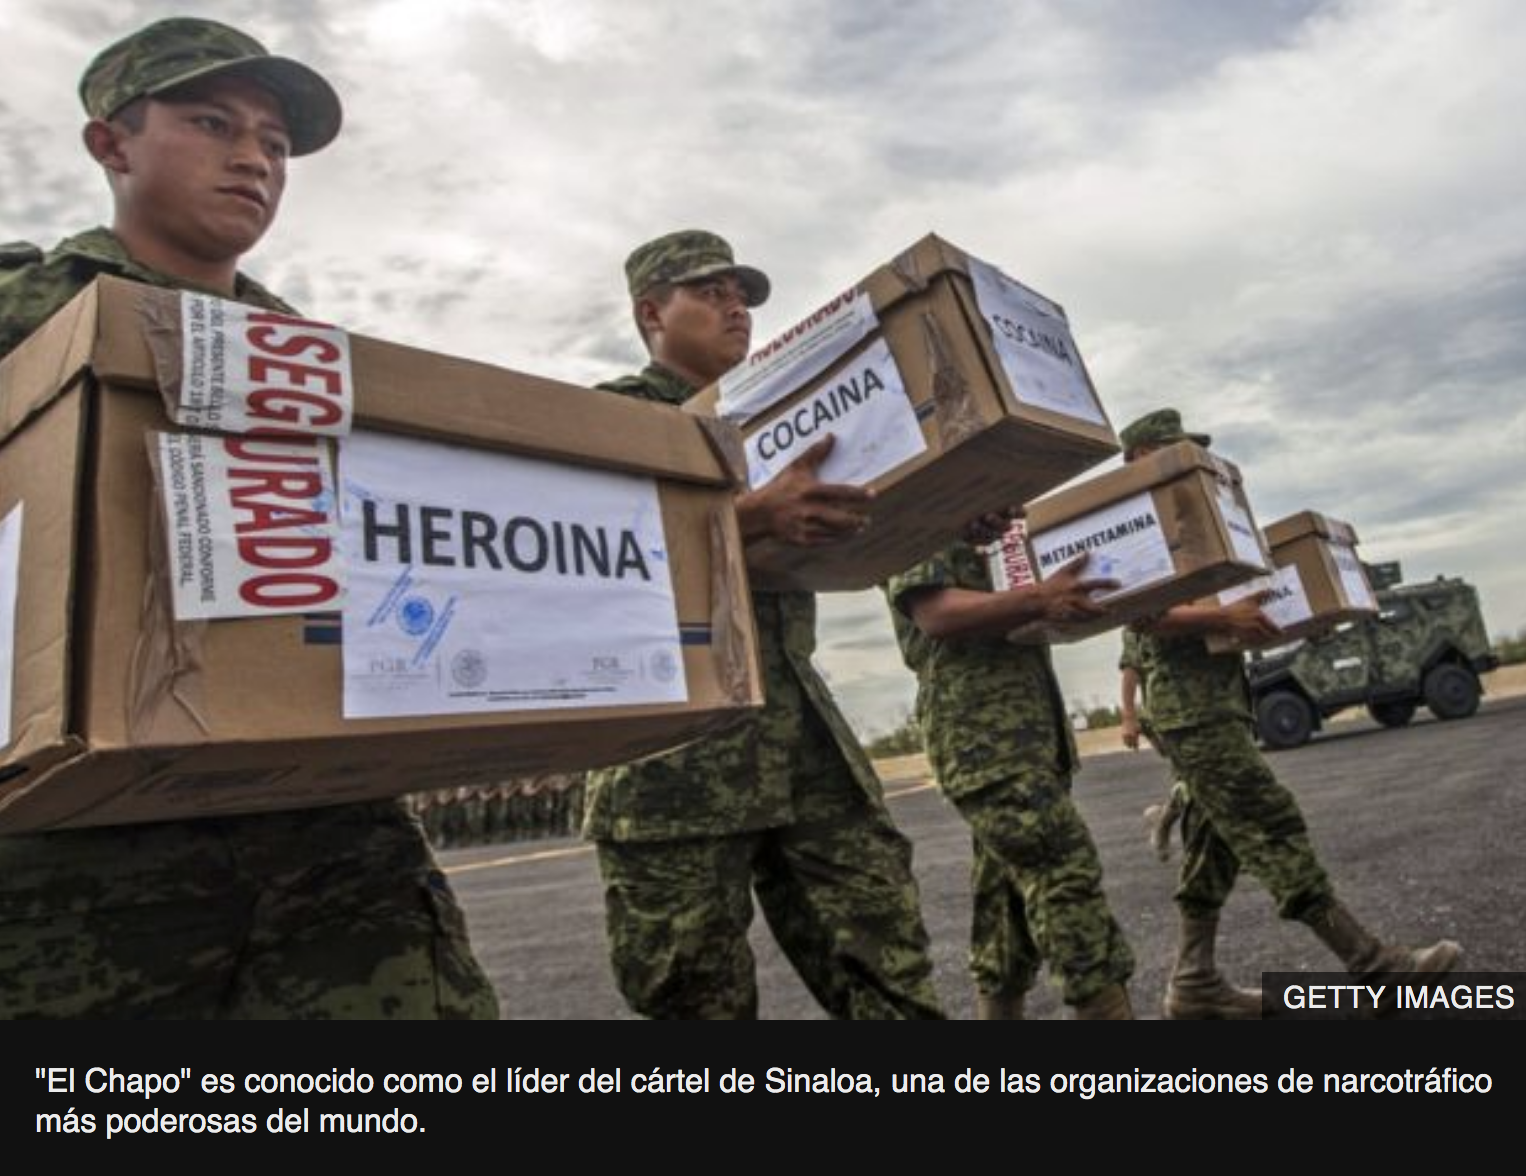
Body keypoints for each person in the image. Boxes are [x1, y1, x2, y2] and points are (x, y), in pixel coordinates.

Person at [0, 17, 498, 1019]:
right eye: (211, 123)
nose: (253, 160)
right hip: (72, 866)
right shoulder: (26, 313)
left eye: (274, 144)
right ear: (110, 143)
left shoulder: (322, 361)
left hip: (328, 840)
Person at [580, 229, 944, 1019]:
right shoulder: (613, 415)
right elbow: (583, 554)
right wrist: (745, 519)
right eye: (710, 292)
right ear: (652, 313)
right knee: (694, 993)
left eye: (741, 294)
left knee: (890, 962)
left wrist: (948, 511)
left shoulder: (780, 422)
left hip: (798, 733)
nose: (736, 307)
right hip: (671, 745)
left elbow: (864, 521)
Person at [1118, 408, 1462, 1020]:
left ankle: (1194, 984)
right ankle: (1377, 968)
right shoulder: (1136, 527)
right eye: (1173, 450)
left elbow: (1229, 612)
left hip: (1218, 704)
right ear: (1141, 458)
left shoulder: (1193, 528)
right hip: (1191, 713)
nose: (1189, 462)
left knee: (1214, 843)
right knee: (1268, 820)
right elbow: (1140, 615)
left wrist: (1301, 616)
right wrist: (1223, 618)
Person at [883, 539, 1138, 1019]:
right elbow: (934, 612)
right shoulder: (922, 513)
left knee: (1005, 914)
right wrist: (1040, 598)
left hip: (1027, 736)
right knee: (1065, 880)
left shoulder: (990, 526)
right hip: (985, 737)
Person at [1119, 630, 1186, 862]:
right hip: (1171, 715)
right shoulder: (1137, 622)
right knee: (1192, 783)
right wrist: (1129, 717)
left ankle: (1162, 820)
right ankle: (1164, 824)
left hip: (1210, 708)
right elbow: (1131, 667)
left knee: (1196, 782)